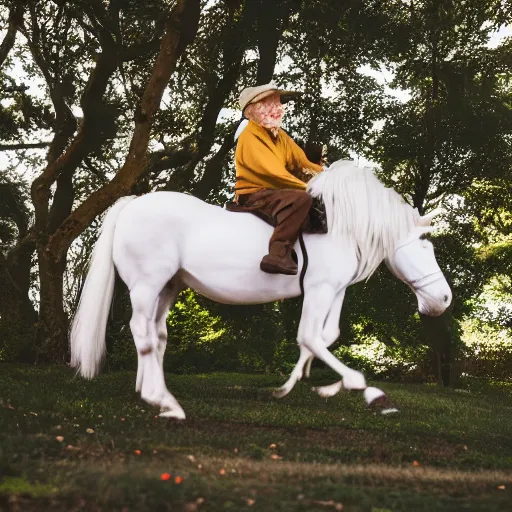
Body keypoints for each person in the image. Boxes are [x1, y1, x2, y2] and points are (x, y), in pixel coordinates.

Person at [234, 82, 323, 275]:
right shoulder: (249, 136)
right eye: (269, 104)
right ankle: (278, 254)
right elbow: (273, 173)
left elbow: (303, 163)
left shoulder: (280, 135)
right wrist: (311, 188)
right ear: (251, 111)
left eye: (278, 103)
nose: (277, 108)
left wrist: (330, 179)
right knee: (301, 199)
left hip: (275, 192)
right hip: (255, 194)